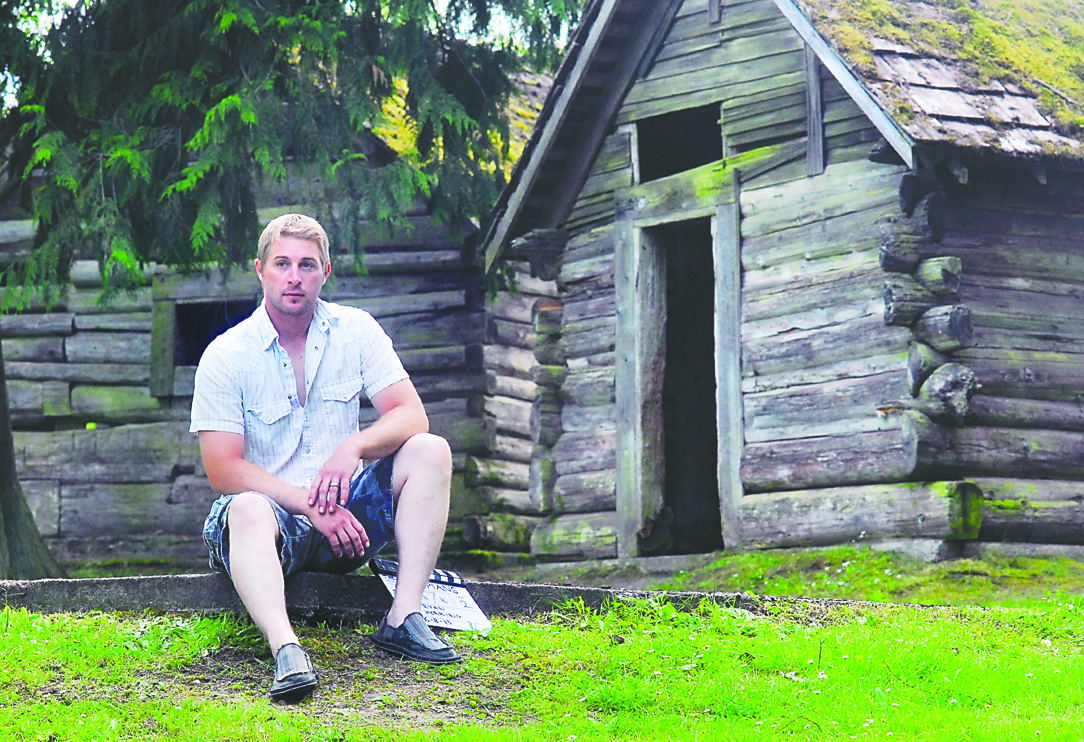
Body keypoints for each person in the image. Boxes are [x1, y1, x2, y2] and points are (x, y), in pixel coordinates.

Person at [191, 213, 459, 704]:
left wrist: (352, 447)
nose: (295, 276)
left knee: (430, 450)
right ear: (261, 270)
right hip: (272, 528)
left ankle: (403, 617)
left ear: (325, 272)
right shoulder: (226, 356)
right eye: (283, 263)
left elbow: (411, 415)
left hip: (346, 524)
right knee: (246, 507)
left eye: (307, 265)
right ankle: (287, 650)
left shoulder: (355, 331)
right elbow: (222, 469)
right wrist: (305, 503)